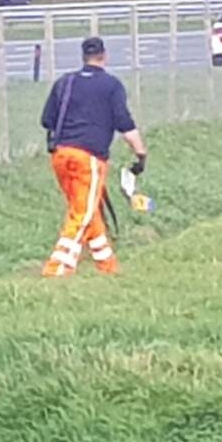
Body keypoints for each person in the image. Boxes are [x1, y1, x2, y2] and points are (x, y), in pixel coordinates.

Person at [40, 37, 147, 278]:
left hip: (60, 155)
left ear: (83, 57)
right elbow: (125, 124)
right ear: (104, 55)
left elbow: (46, 120)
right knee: (83, 214)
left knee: (86, 210)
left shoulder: (64, 83)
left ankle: (106, 264)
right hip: (89, 158)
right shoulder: (111, 86)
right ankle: (57, 268)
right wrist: (140, 153)